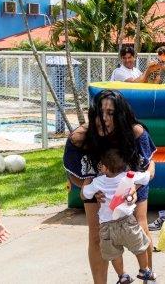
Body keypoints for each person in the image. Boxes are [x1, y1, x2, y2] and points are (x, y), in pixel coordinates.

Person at [63, 89, 157, 284]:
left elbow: (149, 167)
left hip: (130, 180)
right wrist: (91, 190)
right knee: (96, 235)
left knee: (139, 225)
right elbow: (73, 176)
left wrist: (132, 188)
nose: (103, 118)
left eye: (110, 113)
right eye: (99, 112)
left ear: (120, 115)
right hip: (96, 183)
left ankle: (147, 275)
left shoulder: (135, 133)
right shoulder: (79, 138)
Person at [82, 149, 154, 283]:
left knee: (114, 254)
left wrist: (87, 179)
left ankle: (122, 275)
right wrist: (152, 163)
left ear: (105, 168)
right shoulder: (129, 177)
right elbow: (147, 176)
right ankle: (144, 269)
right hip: (127, 222)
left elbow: (84, 194)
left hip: (107, 226)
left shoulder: (98, 181)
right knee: (140, 246)